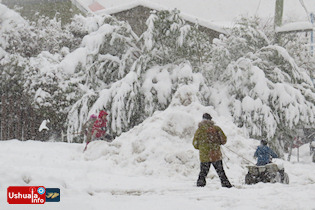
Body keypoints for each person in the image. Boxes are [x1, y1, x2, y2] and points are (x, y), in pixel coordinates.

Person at [192, 113, 232, 188]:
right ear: (210, 119)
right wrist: (217, 143)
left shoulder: (199, 130)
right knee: (220, 171)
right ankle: (226, 185)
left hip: (204, 155)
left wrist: (202, 148)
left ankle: (200, 185)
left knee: (203, 172)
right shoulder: (216, 129)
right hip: (215, 154)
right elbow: (223, 140)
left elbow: (195, 144)